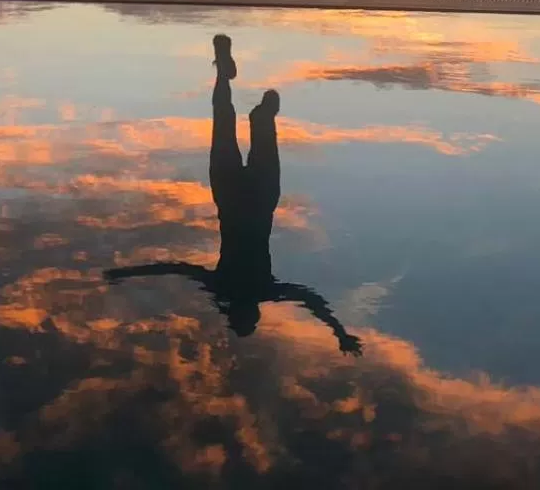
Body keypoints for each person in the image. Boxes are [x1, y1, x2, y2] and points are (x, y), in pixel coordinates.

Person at [104, 34, 363, 355]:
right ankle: (223, 77)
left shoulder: (265, 291)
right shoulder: (222, 286)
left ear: (254, 312)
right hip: (229, 199)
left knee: (259, 132)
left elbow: (310, 299)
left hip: (259, 201)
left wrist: (339, 331)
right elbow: (176, 268)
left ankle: (263, 115)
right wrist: (126, 272)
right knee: (222, 122)